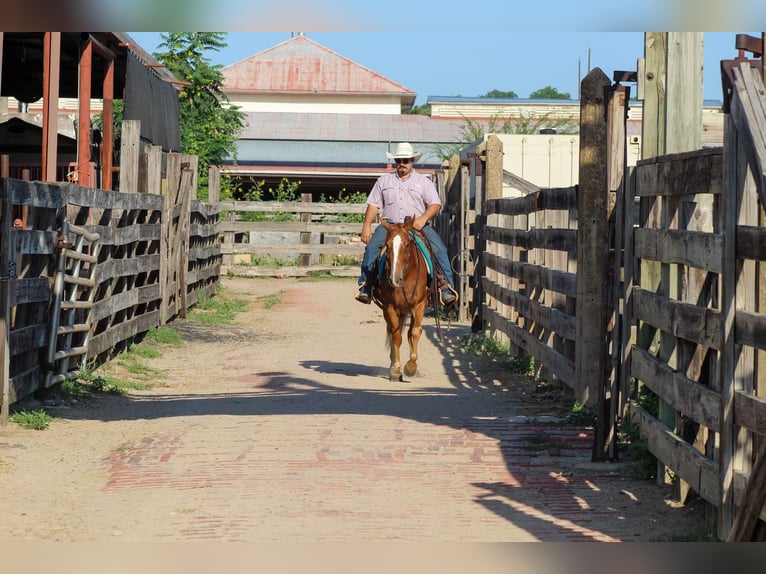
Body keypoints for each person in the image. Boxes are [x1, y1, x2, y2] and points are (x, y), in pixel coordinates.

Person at [355, 142, 458, 307]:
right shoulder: (383, 181)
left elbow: (435, 204)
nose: (402, 164)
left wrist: (423, 218)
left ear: (412, 161)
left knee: (439, 249)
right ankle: (365, 285)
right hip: (390, 225)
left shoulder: (423, 182)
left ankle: (446, 288)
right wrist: (366, 226)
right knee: (373, 248)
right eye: (399, 160)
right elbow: (373, 204)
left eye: (406, 160)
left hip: (416, 225)